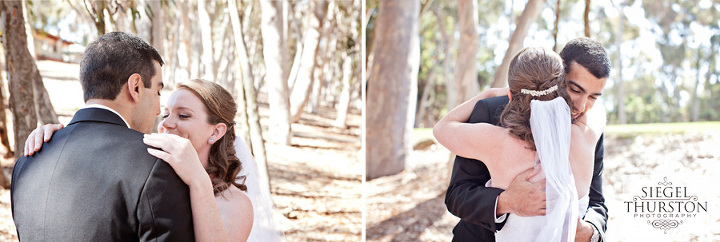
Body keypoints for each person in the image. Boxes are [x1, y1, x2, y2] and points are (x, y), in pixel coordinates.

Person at [25, 79, 284, 242]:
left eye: (183, 116)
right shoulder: (146, 170)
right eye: (167, 113)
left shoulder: (234, 204)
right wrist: (56, 139)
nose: (167, 124)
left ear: (215, 132)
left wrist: (198, 181)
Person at [11, 31, 195, 241]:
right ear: (135, 86)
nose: (157, 111)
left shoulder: (27, 162)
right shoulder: (155, 165)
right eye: (157, 92)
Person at [442, 38, 610, 242]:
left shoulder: (588, 128)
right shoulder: (490, 112)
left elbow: (597, 201)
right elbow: (457, 195)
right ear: (557, 76)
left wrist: (589, 231)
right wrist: (504, 202)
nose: (582, 106)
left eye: (594, 97)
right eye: (575, 90)